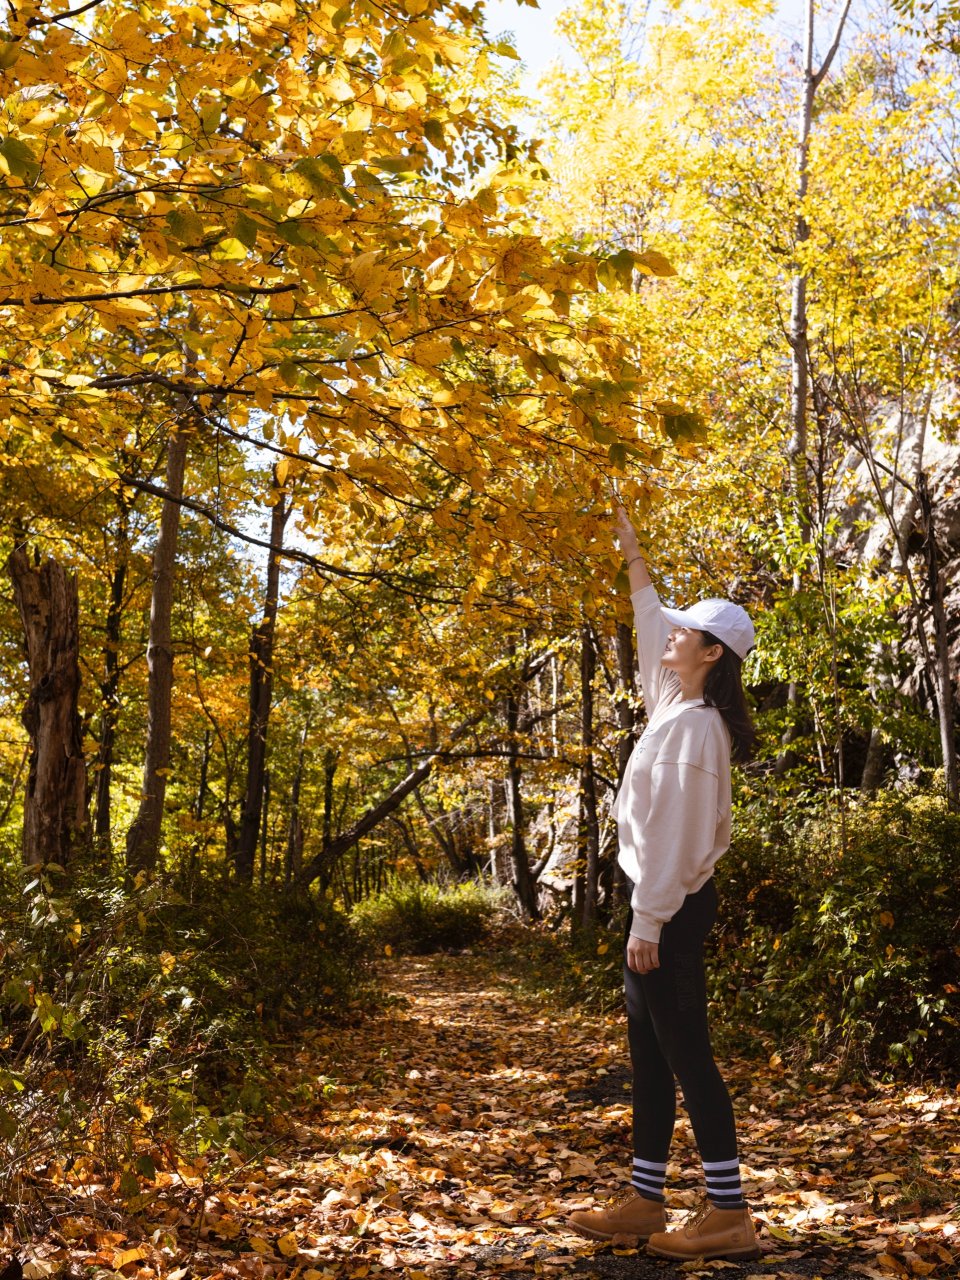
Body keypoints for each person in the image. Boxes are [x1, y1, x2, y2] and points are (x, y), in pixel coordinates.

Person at [566, 505, 760, 1262]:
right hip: (659, 905)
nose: (670, 633)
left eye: (687, 631)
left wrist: (647, 921)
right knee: (650, 1056)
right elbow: (651, 613)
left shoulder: (693, 730)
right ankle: (646, 1200)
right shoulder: (673, 702)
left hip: (670, 909)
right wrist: (627, 538)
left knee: (688, 1055)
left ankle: (729, 1213)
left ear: (711, 653)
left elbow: (677, 839)